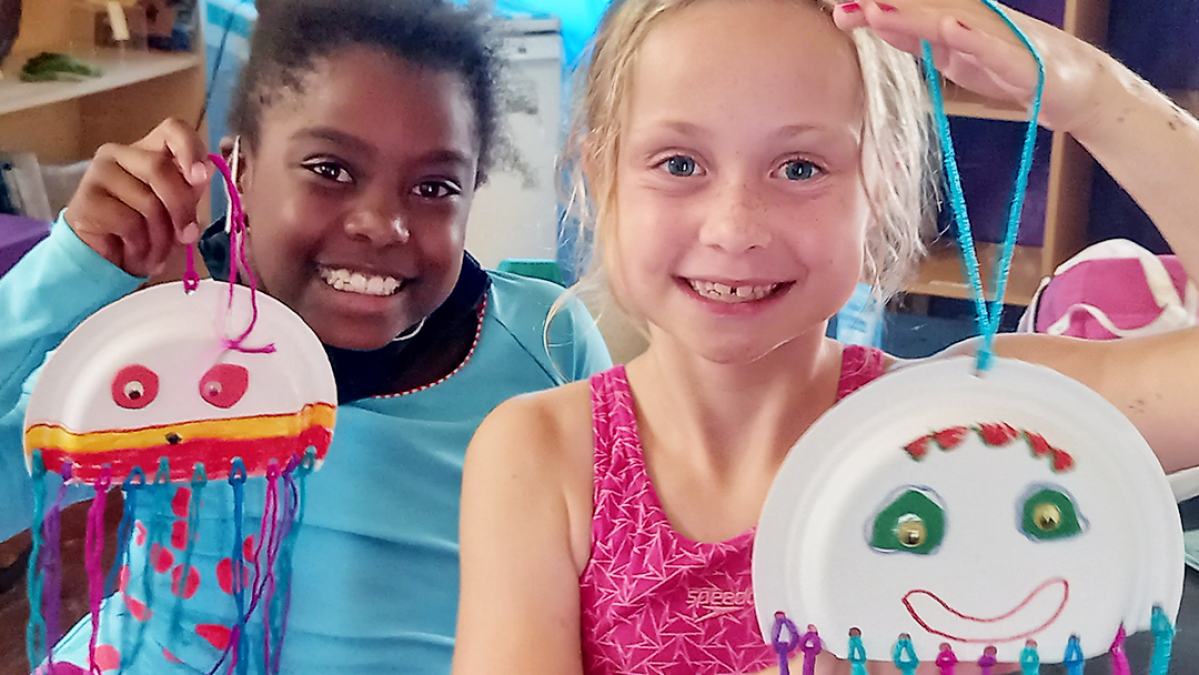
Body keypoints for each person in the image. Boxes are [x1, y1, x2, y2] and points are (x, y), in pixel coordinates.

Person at [452, 0, 1199, 673]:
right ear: (601, 176)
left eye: (799, 166)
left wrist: (1096, 98)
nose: (735, 228)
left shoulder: (964, 422)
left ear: (880, 188)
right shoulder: (545, 455)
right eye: (679, 164)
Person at [0, 0, 610, 673]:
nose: (382, 223)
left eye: (434, 186)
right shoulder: (169, 342)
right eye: (330, 169)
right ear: (241, 172)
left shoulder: (546, 343)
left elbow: (619, 572)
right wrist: (70, 266)